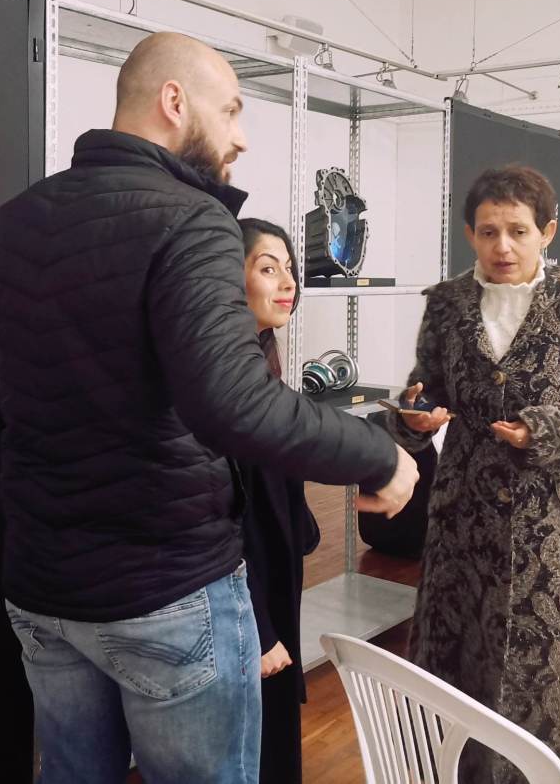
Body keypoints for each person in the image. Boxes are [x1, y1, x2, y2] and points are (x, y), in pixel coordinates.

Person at [0, 31, 419, 784]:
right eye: (231, 110)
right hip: (166, 588)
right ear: (174, 101)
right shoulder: (193, 218)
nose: (241, 136)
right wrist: (378, 453)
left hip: (43, 590)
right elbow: (231, 401)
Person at [386, 164, 560, 784]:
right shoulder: (447, 305)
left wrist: (544, 429)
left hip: (555, 536)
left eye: (518, 231)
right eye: (488, 231)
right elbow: (425, 388)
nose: (503, 246)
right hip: (464, 528)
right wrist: (415, 416)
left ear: (546, 232)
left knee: (557, 684)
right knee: (460, 673)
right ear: (469, 234)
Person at [237, 217, 318, 784]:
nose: (288, 282)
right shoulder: (222, 386)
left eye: (290, 268)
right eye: (269, 268)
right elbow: (225, 521)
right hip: (247, 605)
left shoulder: (263, 366)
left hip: (272, 588)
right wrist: (260, 628)